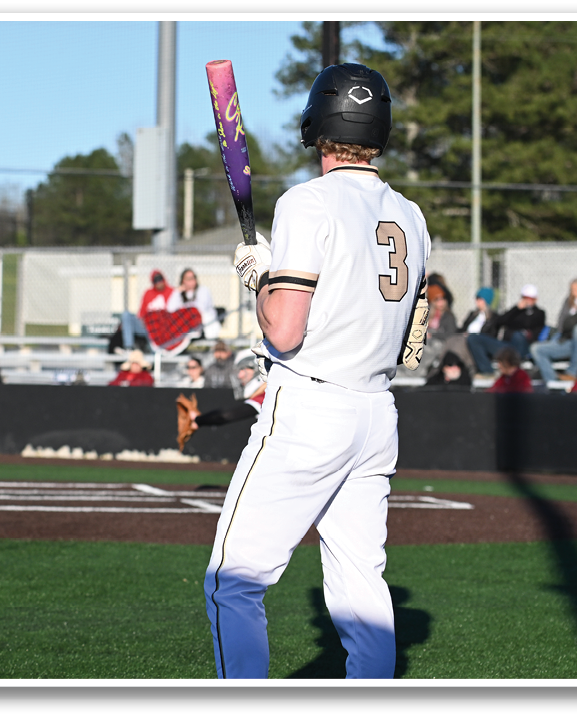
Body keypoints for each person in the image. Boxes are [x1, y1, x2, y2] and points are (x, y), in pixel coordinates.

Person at [208, 63, 430, 680]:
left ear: (318, 124)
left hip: (309, 407)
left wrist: (261, 278)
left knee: (234, 580)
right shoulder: (411, 216)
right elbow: (414, 336)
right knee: (363, 590)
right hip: (376, 412)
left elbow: (283, 329)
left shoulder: (306, 202)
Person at [466, 284, 546, 377]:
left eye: (530, 298)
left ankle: (513, 370)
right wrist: (516, 309)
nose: (527, 301)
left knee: (518, 335)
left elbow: (528, 324)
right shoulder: (516, 312)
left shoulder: (539, 313)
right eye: (525, 298)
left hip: (523, 346)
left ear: (535, 299)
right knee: (473, 338)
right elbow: (500, 321)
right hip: (507, 346)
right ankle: (487, 372)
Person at [442, 286, 497, 375]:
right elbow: (463, 328)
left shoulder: (493, 317)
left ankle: (453, 366)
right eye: (477, 299)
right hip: (464, 338)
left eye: (480, 299)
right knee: (451, 340)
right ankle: (446, 364)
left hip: (475, 341)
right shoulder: (473, 314)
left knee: (459, 343)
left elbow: (490, 334)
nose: (477, 301)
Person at [167, 268, 221, 339]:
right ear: (183, 281)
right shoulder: (180, 294)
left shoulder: (203, 290)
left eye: (193, 278)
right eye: (188, 279)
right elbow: (170, 309)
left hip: (203, 325)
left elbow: (200, 309)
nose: (192, 281)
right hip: (186, 327)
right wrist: (177, 291)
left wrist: (184, 311)